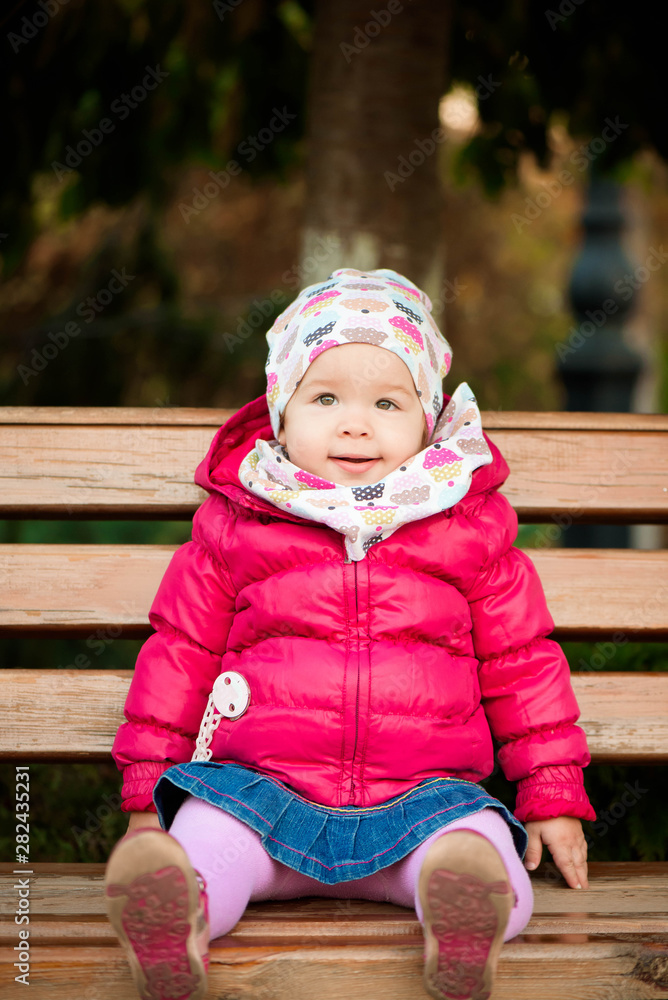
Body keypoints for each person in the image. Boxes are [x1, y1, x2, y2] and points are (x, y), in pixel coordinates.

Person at [105, 267, 595, 1000]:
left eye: (387, 402)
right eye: (325, 397)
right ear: (281, 413)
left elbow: (521, 663)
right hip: (261, 798)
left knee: (481, 852)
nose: (354, 423)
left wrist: (550, 795)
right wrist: (148, 790)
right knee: (206, 841)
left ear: (428, 423)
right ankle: (179, 918)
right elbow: (181, 651)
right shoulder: (240, 525)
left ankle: (462, 922)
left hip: (424, 801)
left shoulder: (467, 527)